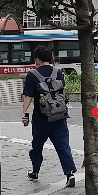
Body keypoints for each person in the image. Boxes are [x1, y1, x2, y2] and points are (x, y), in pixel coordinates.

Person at [21, 45, 77, 186]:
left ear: (37, 59)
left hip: (41, 118)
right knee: (63, 146)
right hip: (59, 116)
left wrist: (24, 112)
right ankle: (69, 174)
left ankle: (35, 171)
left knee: (37, 146)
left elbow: (28, 96)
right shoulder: (58, 73)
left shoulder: (32, 75)